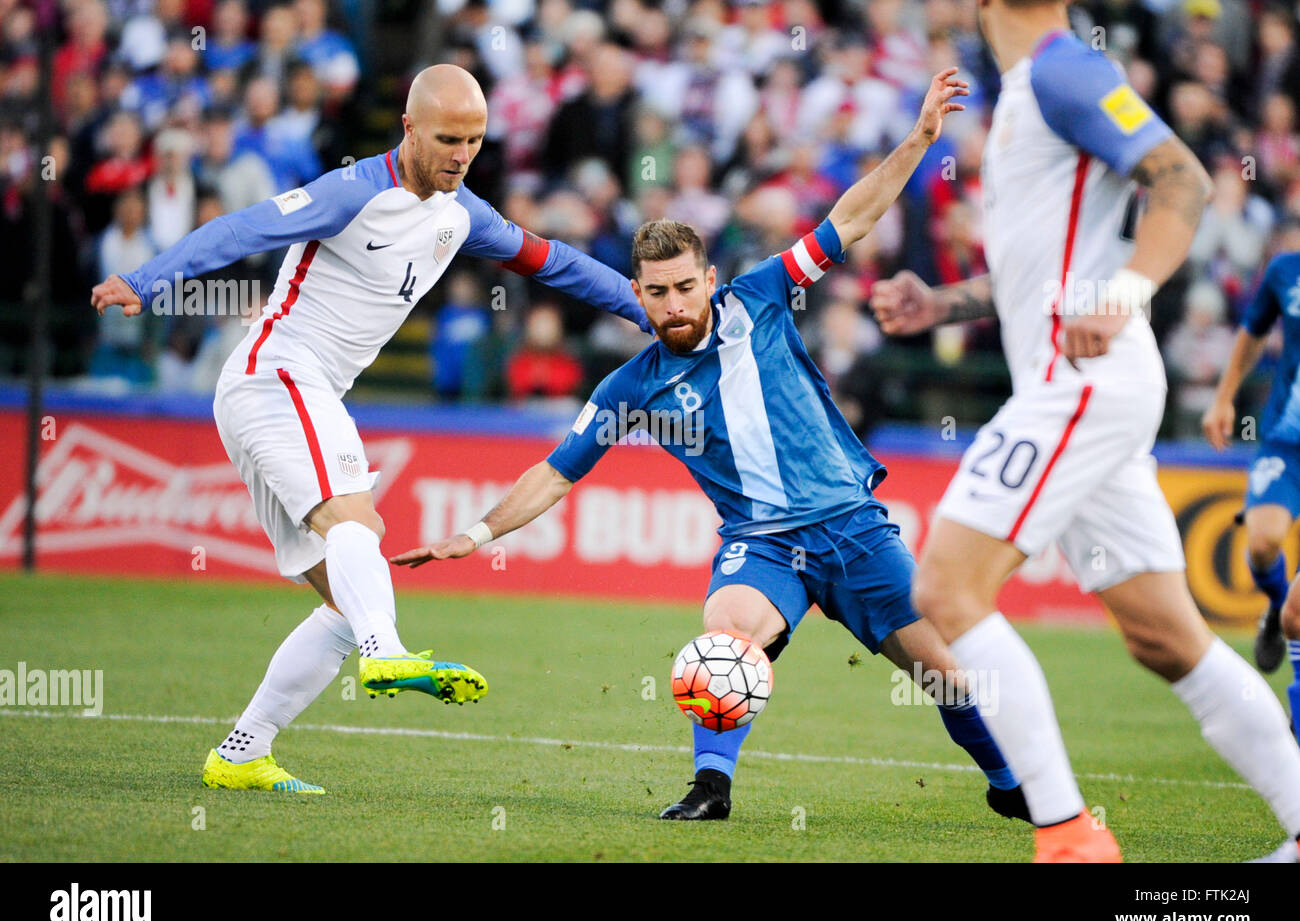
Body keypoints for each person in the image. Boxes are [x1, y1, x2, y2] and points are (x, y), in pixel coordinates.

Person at [394, 71, 1034, 826]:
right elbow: (554, 473)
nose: (673, 305)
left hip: (854, 526)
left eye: (685, 288)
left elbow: (850, 219)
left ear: (711, 280)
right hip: (763, 544)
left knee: (947, 678)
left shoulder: (759, 297)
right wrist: (474, 534)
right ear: (636, 294)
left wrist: (921, 141)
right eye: (657, 293)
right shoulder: (631, 386)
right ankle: (712, 787)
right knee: (724, 641)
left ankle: (1007, 783)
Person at [90, 64, 651, 795]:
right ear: (410, 127)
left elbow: (555, 262)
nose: (462, 154)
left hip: (302, 391)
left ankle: (241, 751)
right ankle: (387, 651)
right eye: (448, 138)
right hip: (277, 373)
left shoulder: (463, 213)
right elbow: (245, 226)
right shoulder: (353, 191)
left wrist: (646, 308)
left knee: (345, 597)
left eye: (476, 140)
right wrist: (151, 278)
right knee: (358, 526)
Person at [870, 0, 1300, 863]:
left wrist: (1126, 294)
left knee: (945, 593)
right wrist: (945, 302)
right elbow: (1049, 265)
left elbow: (1183, 179)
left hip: (1084, 383)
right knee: (1167, 639)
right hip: (1086, 383)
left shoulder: (1066, 71)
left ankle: (1067, 836)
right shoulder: (1035, 87)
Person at [1202, 218, 1300, 734]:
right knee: (1262, 545)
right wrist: (1223, 397)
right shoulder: (1286, 272)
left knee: (1299, 614)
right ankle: (1274, 608)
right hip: (1286, 442)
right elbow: (1253, 332)